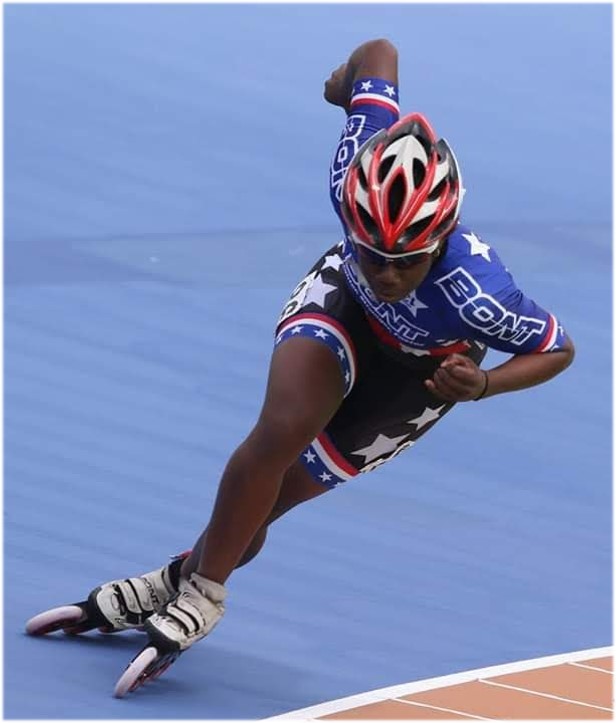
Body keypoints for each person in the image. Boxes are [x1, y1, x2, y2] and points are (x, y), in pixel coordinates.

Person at [25, 38, 575, 696]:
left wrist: (484, 383)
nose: (392, 274)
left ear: (443, 239)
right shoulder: (353, 173)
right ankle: (205, 592)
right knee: (280, 430)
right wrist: (345, 83)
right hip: (341, 309)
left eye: (410, 260)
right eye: (375, 253)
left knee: (270, 503)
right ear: (354, 217)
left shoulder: (480, 292)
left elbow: (557, 349)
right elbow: (381, 51)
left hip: (417, 379)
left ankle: (177, 580)